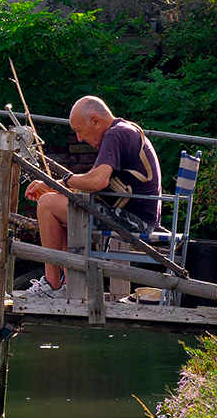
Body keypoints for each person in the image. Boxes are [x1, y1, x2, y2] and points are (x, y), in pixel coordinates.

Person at [19, 95, 161, 296]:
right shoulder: (124, 130)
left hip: (132, 220)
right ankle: (69, 282)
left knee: (47, 204)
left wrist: (61, 184)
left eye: (79, 130)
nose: (79, 138)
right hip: (138, 216)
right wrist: (53, 186)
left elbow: (97, 181)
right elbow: (92, 182)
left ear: (95, 120)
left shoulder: (114, 136)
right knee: (60, 204)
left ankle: (51, 285)